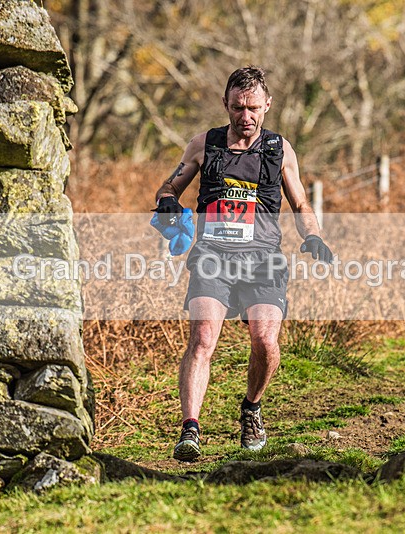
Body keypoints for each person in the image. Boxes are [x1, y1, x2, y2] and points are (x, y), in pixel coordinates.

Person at [153, 65, 334, 462]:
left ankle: (251, 408)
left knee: (265, 342)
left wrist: (314, 236)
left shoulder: (280, 149)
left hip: (263, 260)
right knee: (203, 338)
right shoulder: (204, 144)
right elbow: (170, 185)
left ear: (267, 105)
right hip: (213, 257)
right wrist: (167, 201)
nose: (245, 116)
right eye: (238, 107)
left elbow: (301, 202)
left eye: (253, 107)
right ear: (226, 104)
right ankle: (190, 429)